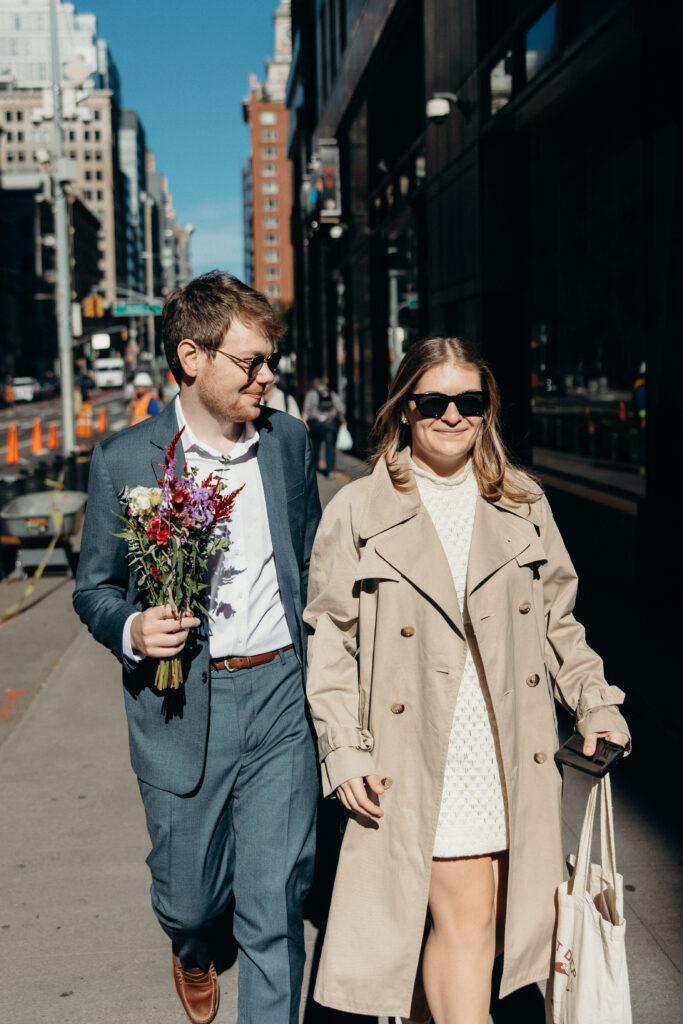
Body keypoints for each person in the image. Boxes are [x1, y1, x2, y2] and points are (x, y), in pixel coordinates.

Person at [304, 336, 630, 1023]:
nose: (450, 415)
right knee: (467, 920)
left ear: (486, 412)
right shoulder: (358, 511)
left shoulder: (522, 501)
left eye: (468, 401)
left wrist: (594, 702)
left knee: (494, 923)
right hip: (422, 747)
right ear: (403, 410)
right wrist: (344, 749)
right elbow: (329, 643)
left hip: (508, 744)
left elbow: (558, 625)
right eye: (432, 401)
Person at [73, 271, 321, 1024]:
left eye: (269, 358)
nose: (268, 375)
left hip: (280, 693)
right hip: (182, 707)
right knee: (188, 897)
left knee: (275, 905)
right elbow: (94, 588)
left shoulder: (287, 443)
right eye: (251, 361)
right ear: (192, 357)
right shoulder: (126, 461)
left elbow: (307, 564)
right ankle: (190, 944)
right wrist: (131, 629)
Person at [302, 377, 346, 475]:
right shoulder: (332, 393)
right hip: (329, 423)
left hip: (315, 424)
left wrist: (304, 422)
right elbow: (341, 408)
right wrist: (342, 420)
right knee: (330, 447)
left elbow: (306, 409)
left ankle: (315, 468)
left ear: (314, 385)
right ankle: (330, 470)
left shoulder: (311, 394)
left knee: (316, 446)